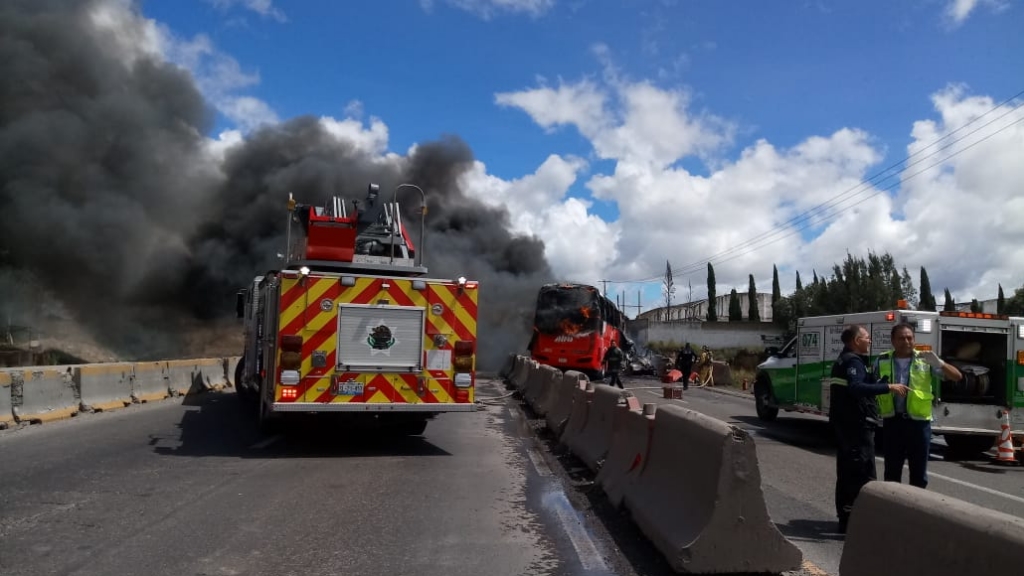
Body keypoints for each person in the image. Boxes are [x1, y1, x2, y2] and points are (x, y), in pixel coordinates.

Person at [829, 324, 909, 534]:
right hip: (856, 426)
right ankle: (860, 522)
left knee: (847, 472)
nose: (869, 340)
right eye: (866, 337)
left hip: (847, 425)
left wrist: (875, 381)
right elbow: (856, 388)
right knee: (862, 473)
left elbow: (856, 386)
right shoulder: (853, 361)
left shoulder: (845, 360)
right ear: (856, 341)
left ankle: (846, 518)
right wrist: (888, 387)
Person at [875, 322, 961, 489]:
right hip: (893, 422)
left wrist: (940, 363)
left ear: (914, 339)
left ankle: (916, 503)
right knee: (892, 472)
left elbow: (957, 377)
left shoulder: (925, 359)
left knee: (919, 474)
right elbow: (871, 385)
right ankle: (892, 503)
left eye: (909, 338)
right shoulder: (882, 360)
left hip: (919, 424)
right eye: (901, 338)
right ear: (893, 341)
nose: (906, 342)